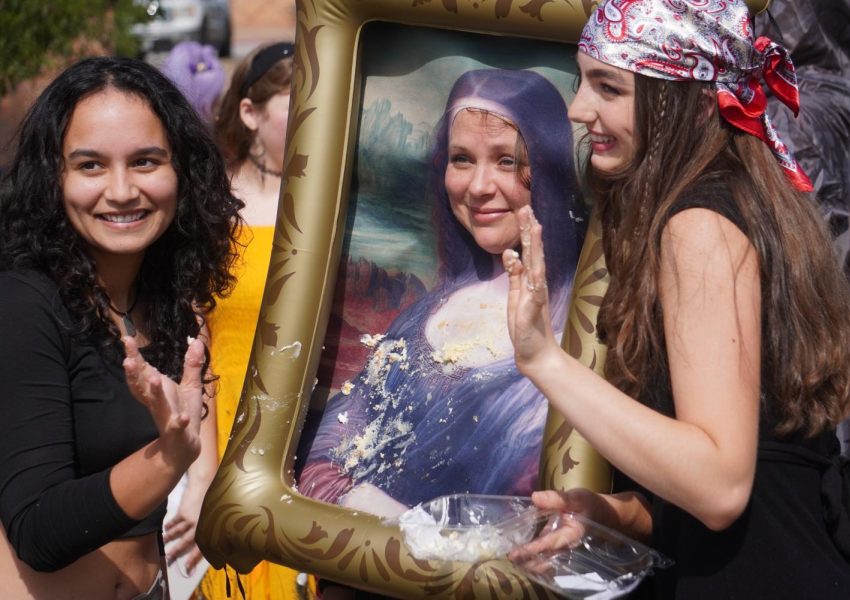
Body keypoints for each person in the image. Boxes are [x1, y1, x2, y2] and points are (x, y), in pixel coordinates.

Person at [504, 1, 850, 598]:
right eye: (581, 80)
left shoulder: (698, 225)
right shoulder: (731, 197)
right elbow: (755, 477)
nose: (578, 108)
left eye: (608, 86)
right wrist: (611, 513)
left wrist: (542, 358)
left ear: (673, 98)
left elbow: (719, 486)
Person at [0, 56, 241, 599]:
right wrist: (170, 459)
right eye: (90, 165)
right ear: (52, 177)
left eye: (145, 161)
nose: (122, 189)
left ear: (182, 169)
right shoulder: (22, 305)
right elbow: (38, 529)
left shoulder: (174, 305)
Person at [295, 68, 583, 516]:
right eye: (462, 159)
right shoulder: (431, 309)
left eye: (507, 160)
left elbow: (533, 509)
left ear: (548, 169)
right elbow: (336, 435)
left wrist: (411, 527)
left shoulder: (585, 328)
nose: (479, 186)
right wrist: (353, 506)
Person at [198, 41, 302, 600]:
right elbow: (193, 339)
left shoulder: (335, 205)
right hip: (219, 432)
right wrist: (200, 470)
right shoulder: (210, 209)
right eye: (297, 102)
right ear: (249, 112)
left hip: (306, 442)